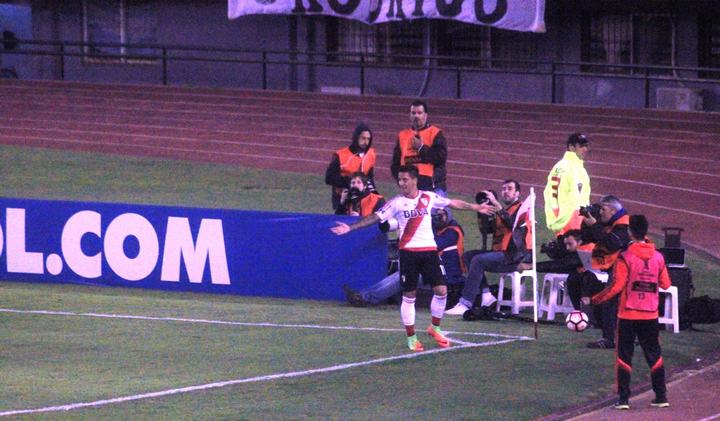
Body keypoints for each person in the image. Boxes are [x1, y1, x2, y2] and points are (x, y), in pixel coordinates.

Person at [331, 165, 493, 351]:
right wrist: (351, 227)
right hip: (408, 253)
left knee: (442, 291)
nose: (401, 183)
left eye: (405, 179)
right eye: (399, 180)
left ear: (415, 180)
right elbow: (375, 217)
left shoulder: (429, 197)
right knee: (409, 296)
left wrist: (476, 207)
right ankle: (411, 337)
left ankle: (435, 327)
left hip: (429, 252)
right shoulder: (396, 203)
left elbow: (452, 203)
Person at [591, 215, 671, 410]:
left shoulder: (625, 257)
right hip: (650, 314)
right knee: (654, 354)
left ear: (629, 232)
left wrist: (597, 299)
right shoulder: (659, 257)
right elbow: (666, 284)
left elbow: (616, 286)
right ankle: (661, 396)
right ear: (646, 231)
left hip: (628, 314)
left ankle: (623, 400)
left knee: (624, 356)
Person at [343, 207, 466, 306]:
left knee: (404, 275)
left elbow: (432, 246)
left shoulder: (452, 232)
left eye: (442, 214)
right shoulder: (436, 229)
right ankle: (366, 296)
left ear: (449, 215)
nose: (438, 217)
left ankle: (364, 298)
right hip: (434, 273)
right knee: (402, 271)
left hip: (448, 277)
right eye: (436, 214)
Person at [445, 179, 532, 315]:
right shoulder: (503, 210)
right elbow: (487, 231)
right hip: (501, 254)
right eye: (503, 189)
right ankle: (486, 295)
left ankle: (465, 303)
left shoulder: (522, 209)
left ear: (517, 193)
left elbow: (512, 224)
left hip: (514, 257)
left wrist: (496, 204)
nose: (505, 192)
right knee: (469, 256)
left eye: (510, 189)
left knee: (478, 260)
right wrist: (482, 212)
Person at [580, 195, 630, 349]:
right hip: (617, 268)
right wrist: (587, 222)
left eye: (603, 209)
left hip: (628, 269)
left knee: (609, 301)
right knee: (608, 301)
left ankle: (610, 339)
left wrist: (595, 225)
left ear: (613, 210)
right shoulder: (612, 223)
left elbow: (611, 244)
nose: (600, 212)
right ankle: (618, 336)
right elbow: (587, 238)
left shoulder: (624, 226)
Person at [390, 101, 447, 195]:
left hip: (432, 187)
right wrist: (401, 181)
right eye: (413, 113)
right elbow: (395, 164)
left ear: (426, 115)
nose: (416, 116)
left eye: (419, 113)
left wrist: (421, 147)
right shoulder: (402, 135)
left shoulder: (436, 133)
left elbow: (440, 157)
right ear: (410, 115)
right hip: (409, 188)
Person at [544, 133, 591, 235]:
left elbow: (548, 194)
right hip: (573, 218)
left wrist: (554, 221)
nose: (585, 149)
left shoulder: (558, 166)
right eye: (581, 146)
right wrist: (562, 221)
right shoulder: (576, 169)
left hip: (559, 216)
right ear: (571, 147)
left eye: (586, 146)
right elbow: (574, 198)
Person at [325, 123, 377, 211]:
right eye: (363, 138)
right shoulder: (340, 155)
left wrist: (374, 193)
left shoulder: (371, 154)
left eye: (368, 139)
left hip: (362, 196)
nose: (366, 142)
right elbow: (329, 178)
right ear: (356, 138)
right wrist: (351, 183)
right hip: (342, 196)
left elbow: (369, 176)